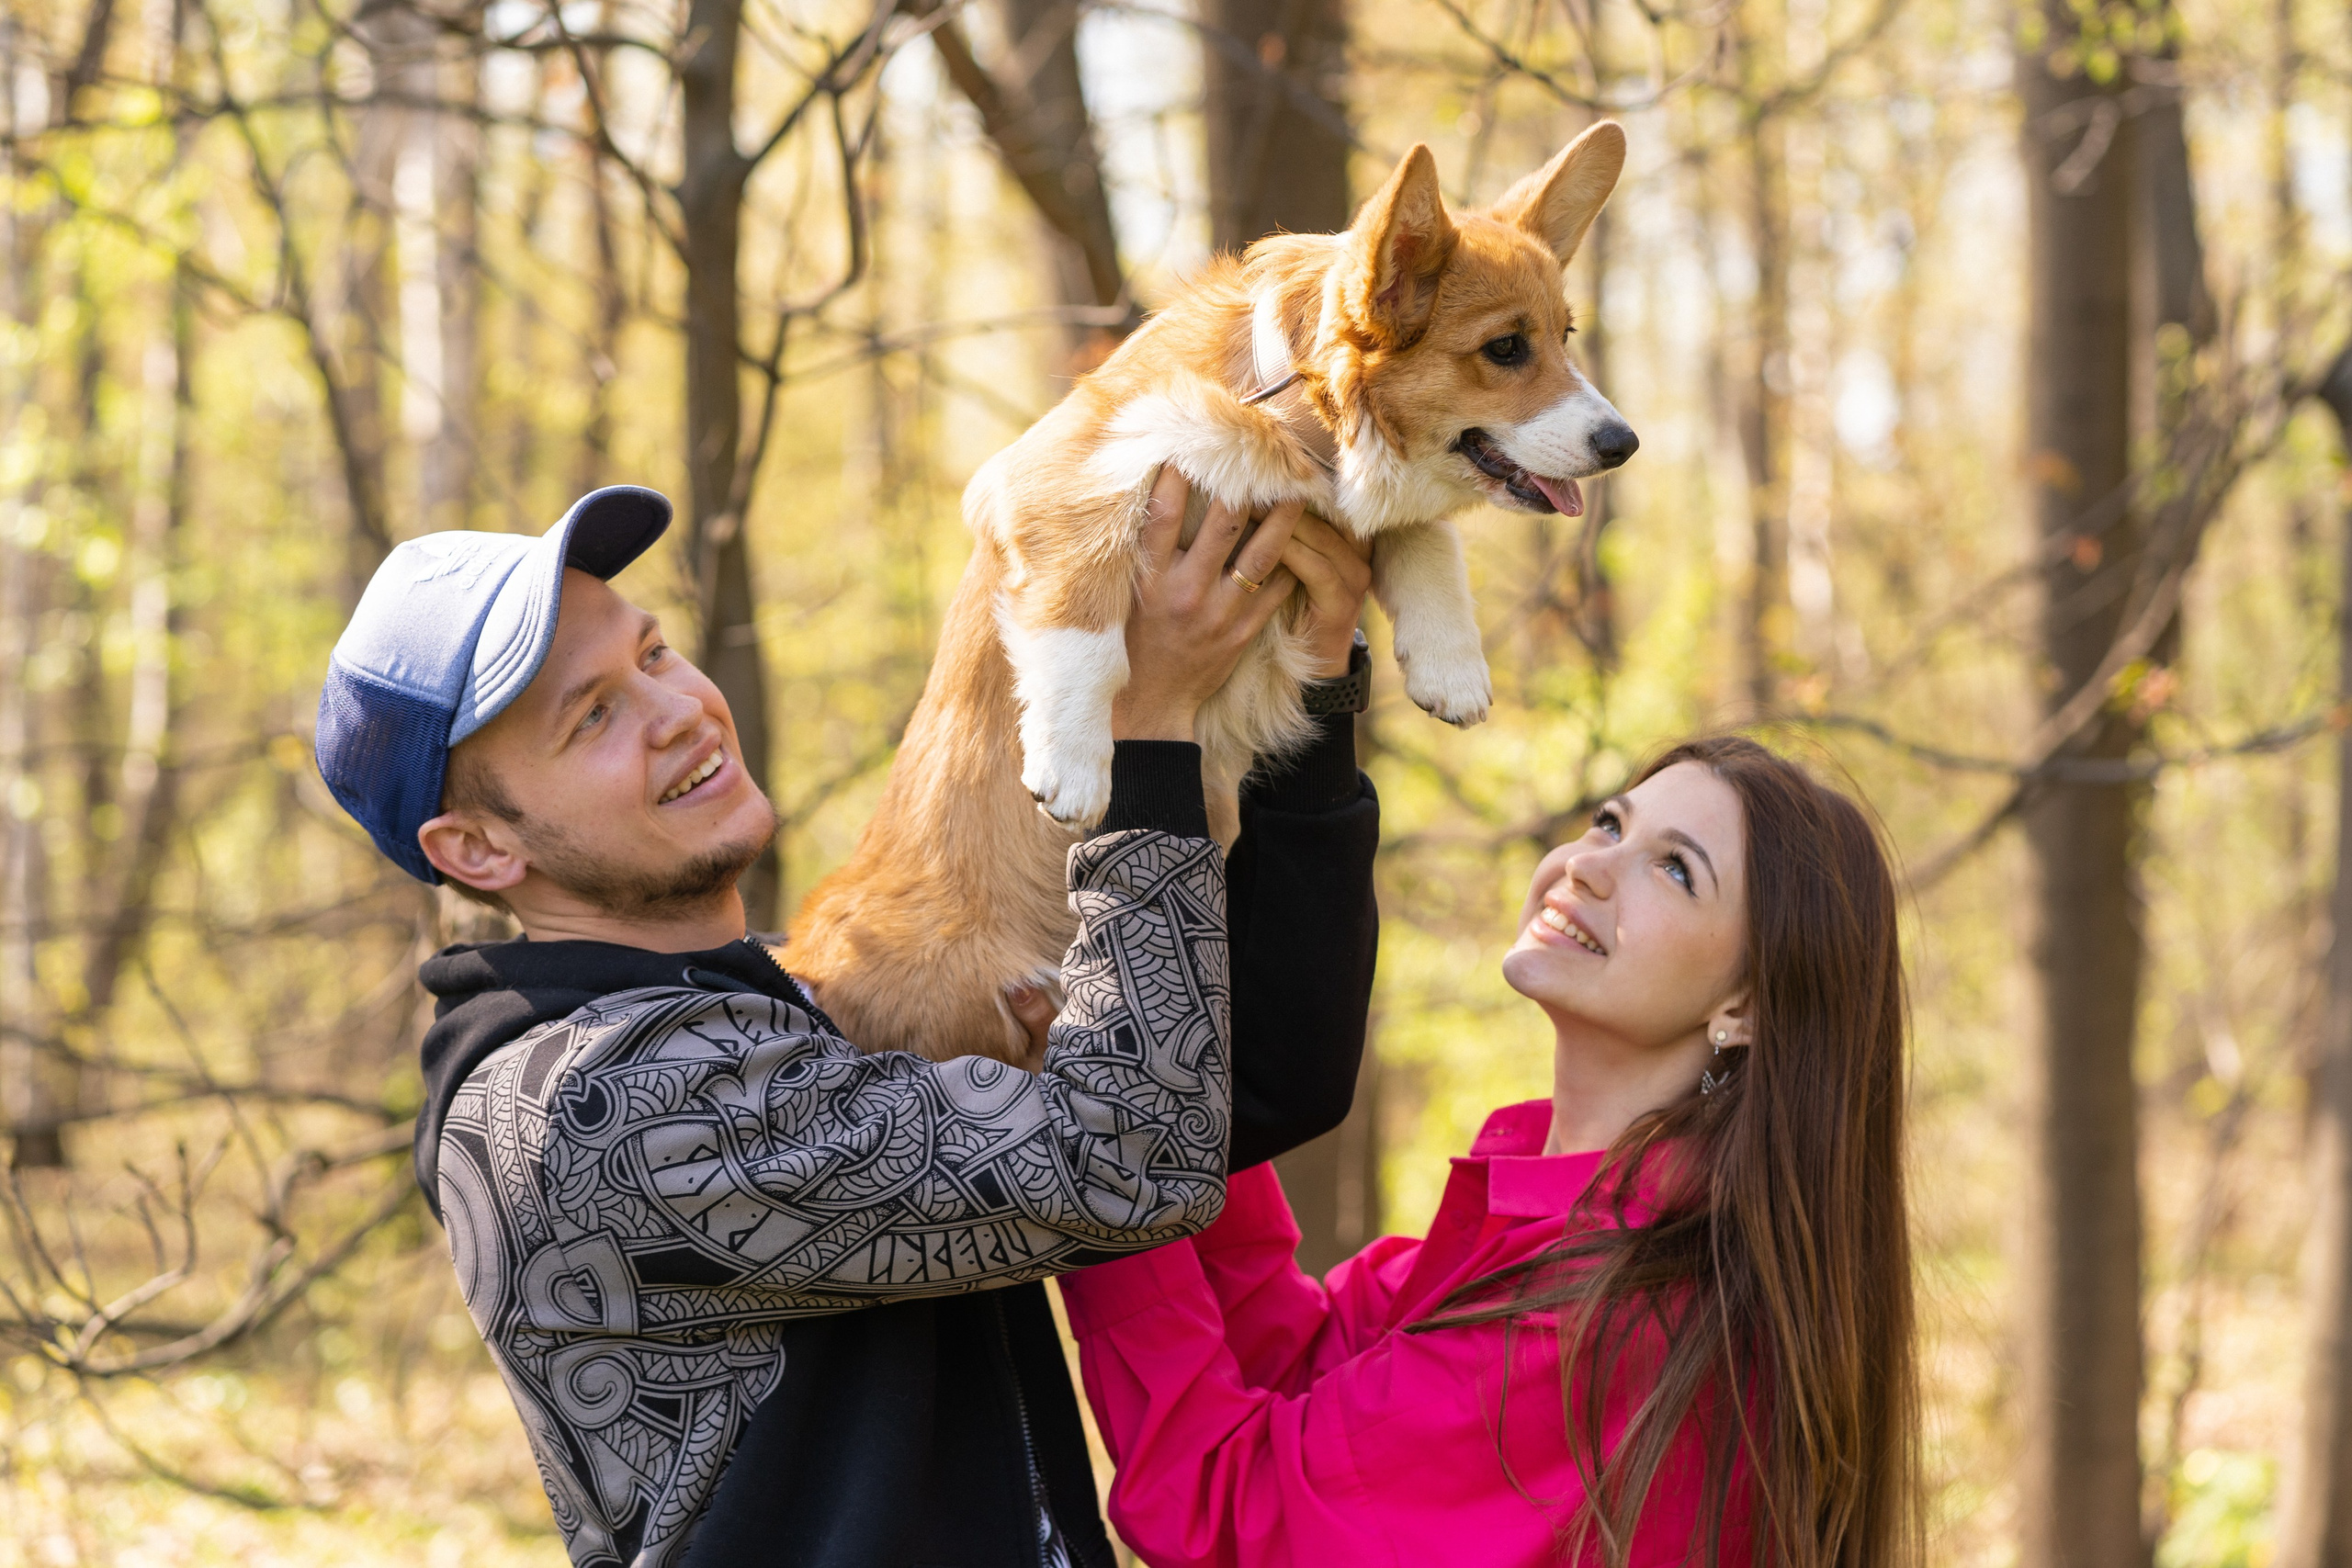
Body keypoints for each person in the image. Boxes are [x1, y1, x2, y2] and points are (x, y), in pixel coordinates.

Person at [311, 471, 1382, 1568]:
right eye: (593, 717)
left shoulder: (796, 1003)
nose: (678, 711)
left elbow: (1248, 1088)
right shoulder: (591, 1109)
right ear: (480, 851)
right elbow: (1128, 1160)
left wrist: (1319, 685)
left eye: (652, 654)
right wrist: (1146, 729)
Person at [1058, 736, 1921, 1568]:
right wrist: (1162, 1079)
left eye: (1675, 868)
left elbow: (1236, 1514)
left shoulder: (1612, 1311)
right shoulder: (1551, 1222)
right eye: (1611, 824)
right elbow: (1294, 1364)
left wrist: (1102, 1121)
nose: (1587, 862)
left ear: (1748, 1004)